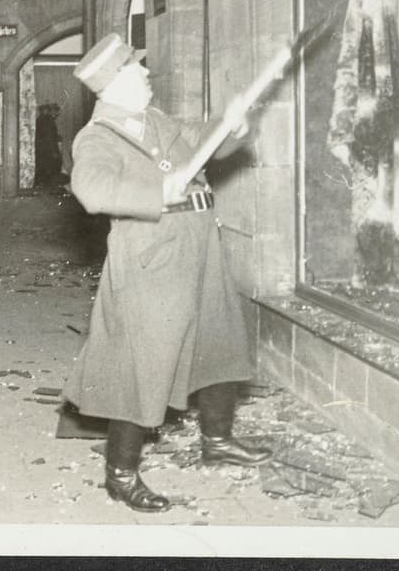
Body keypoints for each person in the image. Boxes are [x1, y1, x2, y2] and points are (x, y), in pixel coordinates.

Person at [61, 33, 271, 513]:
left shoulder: (155, 119)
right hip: (151, 257)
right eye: (138, 69)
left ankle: (217, 442)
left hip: (199, 245)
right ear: (115, 84)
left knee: (219, 342)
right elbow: (91, 189)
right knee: (143, 366)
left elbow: (204, 140)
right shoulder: (96, 137)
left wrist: (233, 126)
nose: (147, 73)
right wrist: (160, 189)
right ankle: (121, 473)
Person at [35, 102, 64, 187]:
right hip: (48, 151)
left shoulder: (39, 119)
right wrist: (55, 152)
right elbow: (50, 138)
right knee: (51, 172)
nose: (55, 114)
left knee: (42, 173)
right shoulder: (49, 121)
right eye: (55, 112)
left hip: (41, 151)